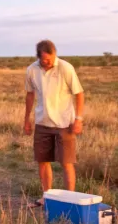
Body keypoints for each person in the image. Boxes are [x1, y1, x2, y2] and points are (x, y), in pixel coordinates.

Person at [24, 40, 85, 208]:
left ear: (55, 54)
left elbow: (79, 94)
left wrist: (78, 119)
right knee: (43, 161)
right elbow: (30, 95)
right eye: (45, 60)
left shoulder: (65, 68)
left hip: (65, 124)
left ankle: (70, 200)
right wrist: (26, 119)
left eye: (51, 59)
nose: (49, 63)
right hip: (42, 122)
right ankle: (47, 197)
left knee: (66, 162)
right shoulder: (31, 70)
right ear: (38, 58)